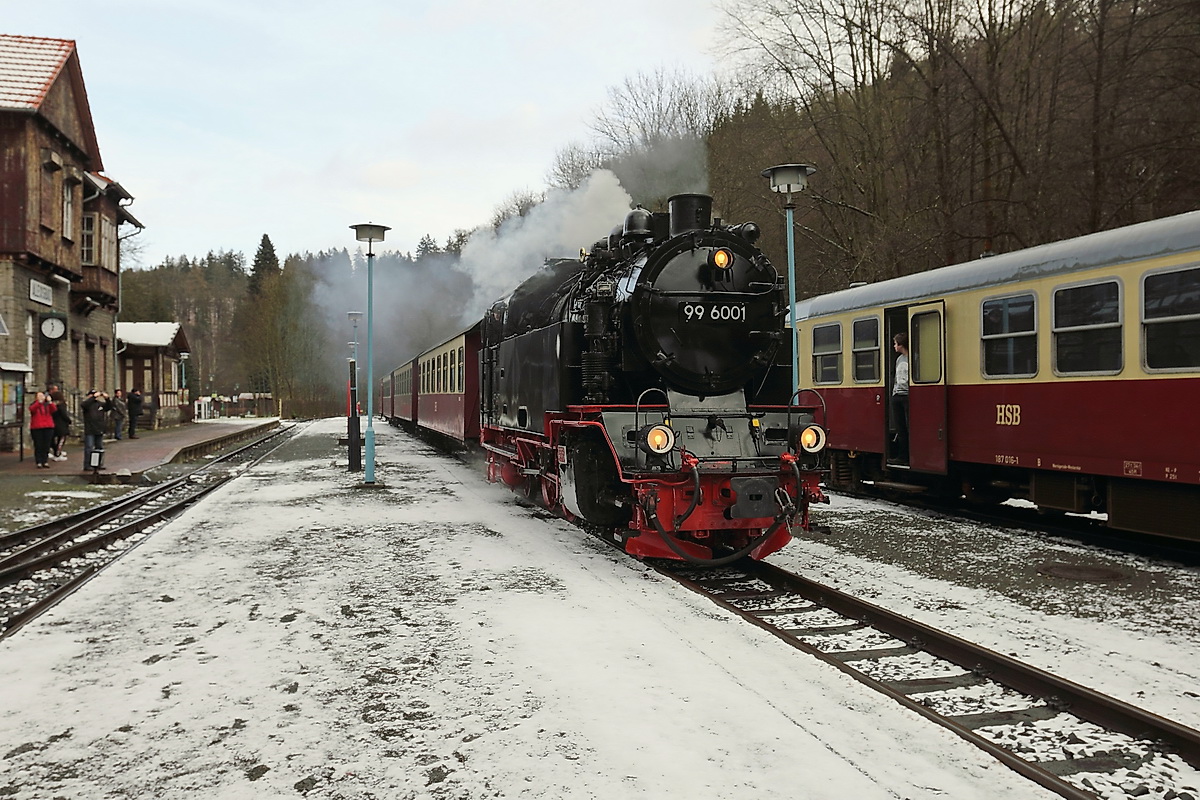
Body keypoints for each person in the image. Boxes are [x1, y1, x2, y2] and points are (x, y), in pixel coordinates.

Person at [80, 390, 113, 471]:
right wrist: (93, 397)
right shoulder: (87, 405)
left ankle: (98, 464)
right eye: (91, 395)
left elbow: (109, 407)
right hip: (90, 429)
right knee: (89, 448)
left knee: (99, 448)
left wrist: (107, 398)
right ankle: (87, 465)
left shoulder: (100, 404)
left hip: (99, 428)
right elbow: (84, 405)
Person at [891, 332, 910, 463]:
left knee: (909, 426)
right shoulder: (899, 359)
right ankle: (902, 456)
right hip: (897, 395)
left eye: (895, 344)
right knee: (900, 427)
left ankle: (909, 455)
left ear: (901, 345)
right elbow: (896, 378)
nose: (894, 346)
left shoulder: (912, 358)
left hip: (907, 395)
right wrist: (894, 392)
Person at [29, 390, 57, 469]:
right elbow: (32, 409)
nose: (41, 397)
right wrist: (39, 402)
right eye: (39, 396)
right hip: (37, 427)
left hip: (48, 426)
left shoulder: (47, 405)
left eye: (42, 396)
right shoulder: (34, 404)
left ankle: (45, 461)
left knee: (46, 445)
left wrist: (50, 402)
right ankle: (39, 461)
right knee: (38, 445)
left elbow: (54, 409)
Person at [49, 385, 71, 462]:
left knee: (52, 439)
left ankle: (56, 451)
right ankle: (57, 454)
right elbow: (63, 413)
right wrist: (68, 420)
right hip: (61, 424)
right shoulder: (61, 404)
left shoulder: (51, 404)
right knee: (61, 439)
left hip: (53, 423)